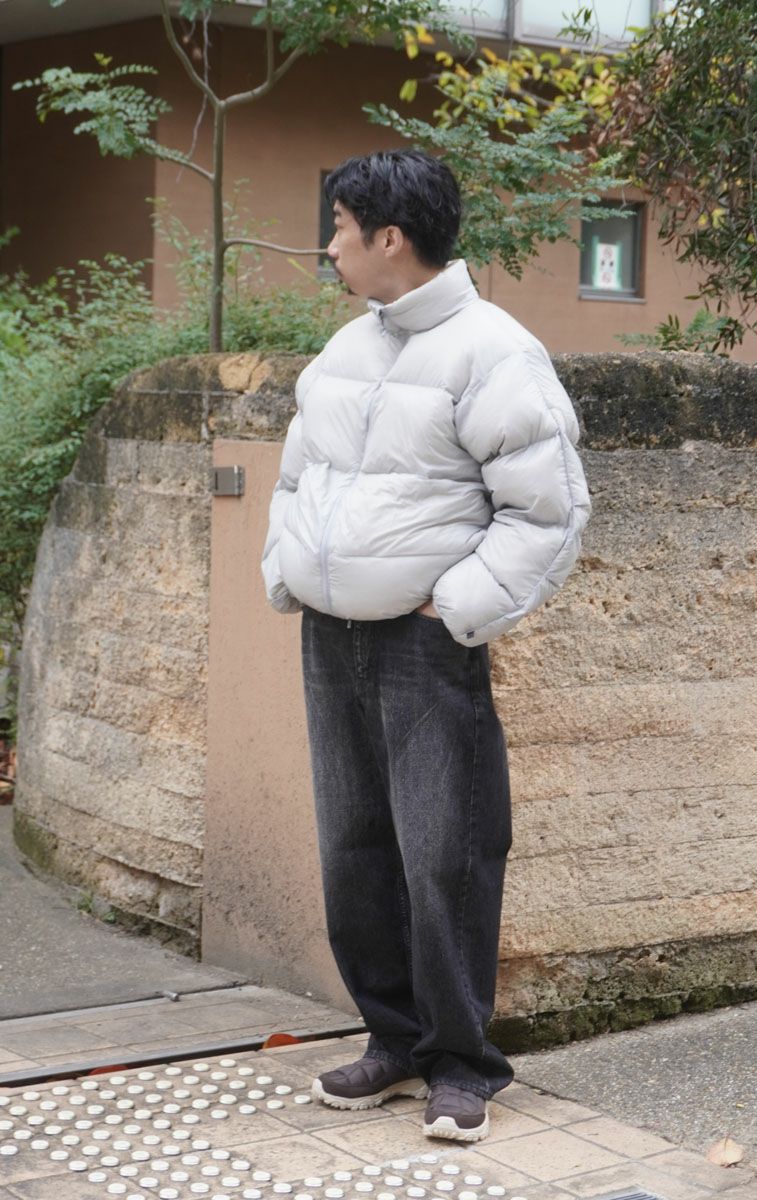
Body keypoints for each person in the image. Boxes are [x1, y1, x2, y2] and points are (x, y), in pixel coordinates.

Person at [261, 149, 591, 1143]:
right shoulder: (343, 350)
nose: (329, 247)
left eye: (340, 228)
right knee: (353, 848)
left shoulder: (495, 352)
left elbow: (549, 511)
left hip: (423, 644)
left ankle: (461, 1063)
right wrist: (287, 571)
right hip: (331, 639)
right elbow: (296, 478)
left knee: (446, 852)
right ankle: (394, 1041)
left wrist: (453, 608)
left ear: (390, 237)